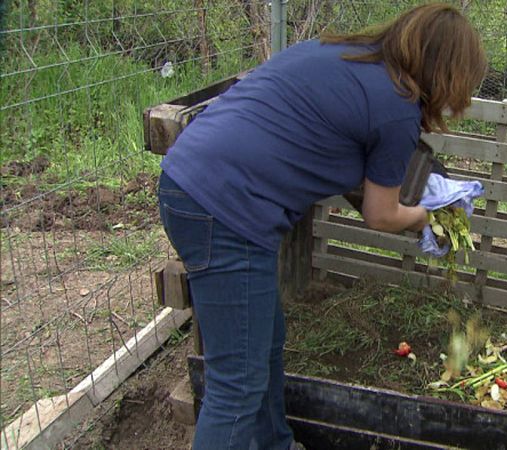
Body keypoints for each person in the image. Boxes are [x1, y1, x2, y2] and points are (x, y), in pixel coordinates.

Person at [157, 3, 487, 449]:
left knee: (265, 344)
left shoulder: (345, 54)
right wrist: (430, 217)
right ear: (445, 72)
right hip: (224, 209)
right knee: (236, 386)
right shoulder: (396, 106)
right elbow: (382, 214)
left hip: (195, 184)